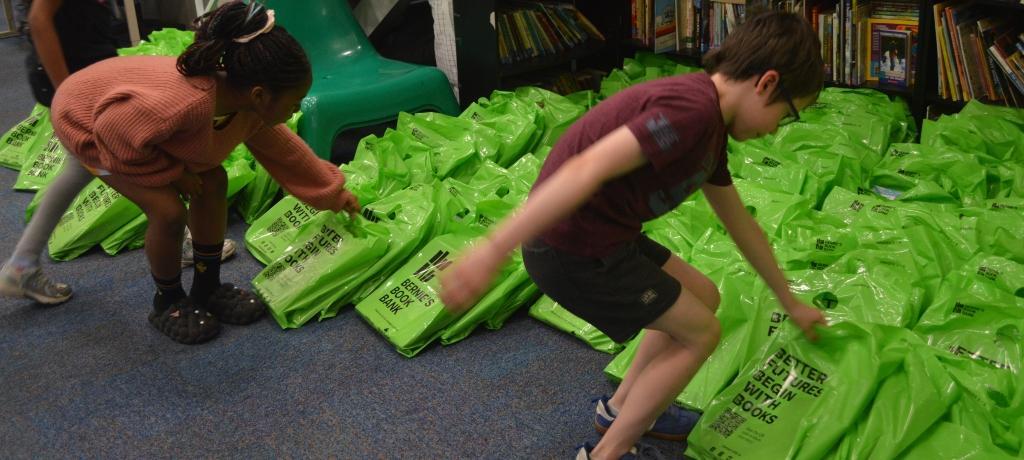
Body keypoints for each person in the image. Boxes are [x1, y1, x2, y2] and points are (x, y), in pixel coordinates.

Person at [440, 11, 828, 460]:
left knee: (703, 296)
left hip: (605, 236)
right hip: (574, 249)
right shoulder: (690, 113)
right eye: (787, 114)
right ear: (766, 83)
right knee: (701, 334)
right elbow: (587, 167)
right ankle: (608, 453)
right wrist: (492, 248)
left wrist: (790, 301)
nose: (775, 130)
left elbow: (740, 224)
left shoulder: (710, 129)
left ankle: (621, 407)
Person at [19, 1, 360, 344]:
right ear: (260, 95)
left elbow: (285, 152)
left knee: (214, 181)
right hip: (88, 127)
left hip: (136, 128)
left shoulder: (247, 104)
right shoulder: (184, 104)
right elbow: (115, 136)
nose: (295, 111)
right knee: (167, 212)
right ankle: (167, 301)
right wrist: (174, 174)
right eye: (293, 104)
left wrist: (332, 192)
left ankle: (206, 287)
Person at [0, 0, 235, 306]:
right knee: (115, 160)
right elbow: (40, 19)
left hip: (93, 65)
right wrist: (65, 92)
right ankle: (22, 264)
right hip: (74, 81)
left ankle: (22, 263)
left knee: (81, 166)